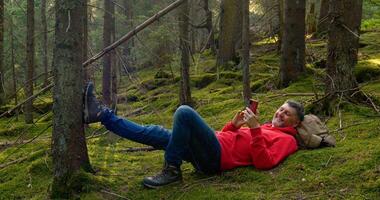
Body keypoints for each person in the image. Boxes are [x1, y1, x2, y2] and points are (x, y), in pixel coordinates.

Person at [83, 82, 304, 189]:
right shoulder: (266, 126)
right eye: (281, 109)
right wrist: (234, 125)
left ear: (296, 122)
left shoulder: (287, 140)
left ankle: (171, 169)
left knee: (184, 112)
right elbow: (231, 139)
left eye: (287, 113)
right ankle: (102, 115)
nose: (281, 113)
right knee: (153, 133)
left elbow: (264, 163)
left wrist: (254, 130)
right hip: (211, 148)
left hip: (215, 158)